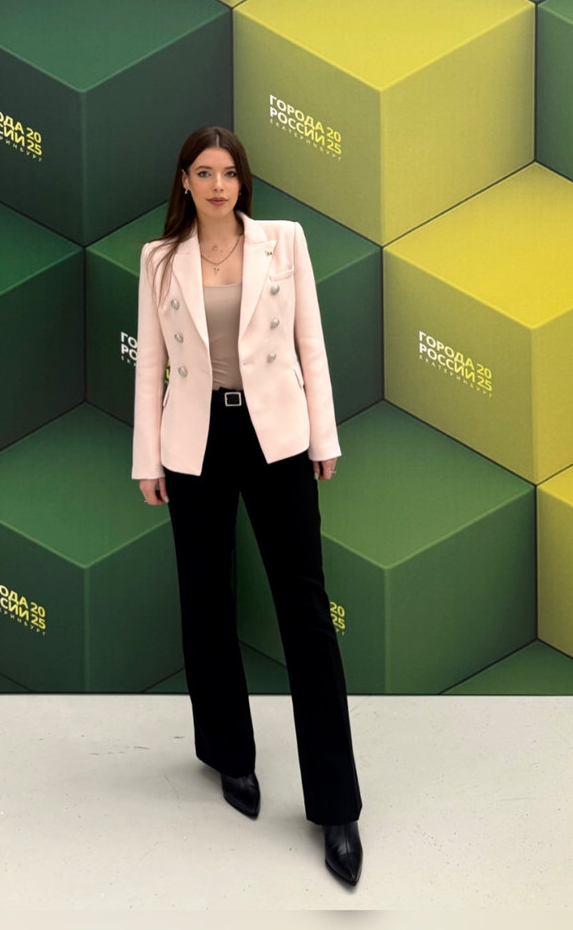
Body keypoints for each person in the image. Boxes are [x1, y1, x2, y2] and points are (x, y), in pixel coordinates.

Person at [132, 125, 363, 885]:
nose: (218, 185)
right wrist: (147, 459)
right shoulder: (159, 259)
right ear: (184, 180)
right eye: (204, 172)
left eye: (229, 172)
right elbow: (151, 366)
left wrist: (323, 438)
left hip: (277, 437)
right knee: (205, 599)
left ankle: (336, 807)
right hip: (194, 439)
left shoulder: (283, 242)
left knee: (305, 609)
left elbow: (310, 345)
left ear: (243, 181)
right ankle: (229, 755)